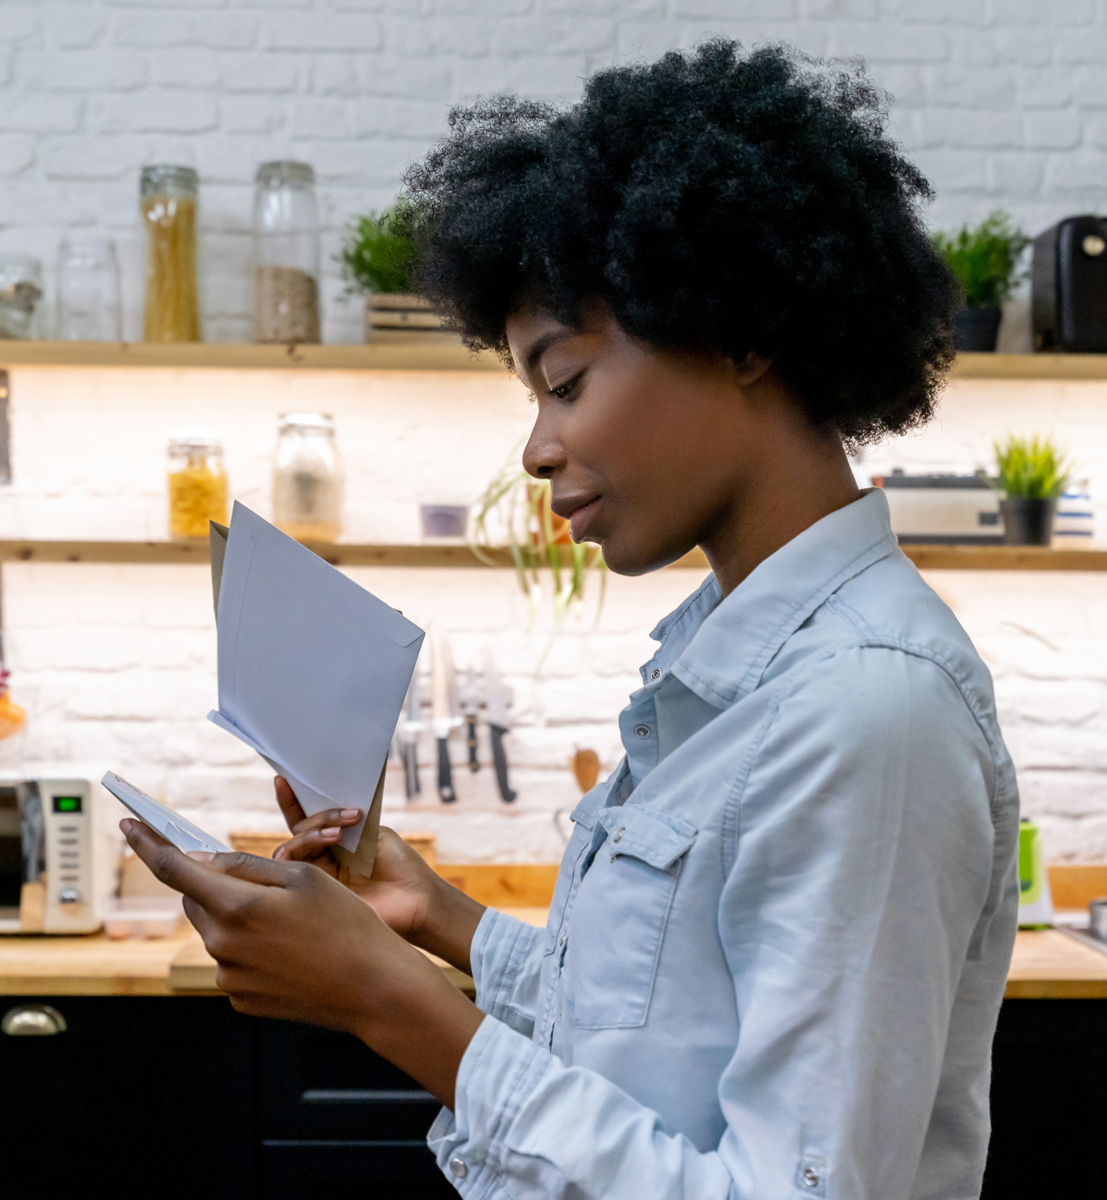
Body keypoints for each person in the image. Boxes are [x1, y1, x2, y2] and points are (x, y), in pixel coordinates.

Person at [124, 41, 1018, 1200]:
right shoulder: (737, 672)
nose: (540, 448)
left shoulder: (870, 708)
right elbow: (647, 1033)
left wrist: (389, 1003)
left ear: (743, 332)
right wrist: (431, 913)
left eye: (568, 380)